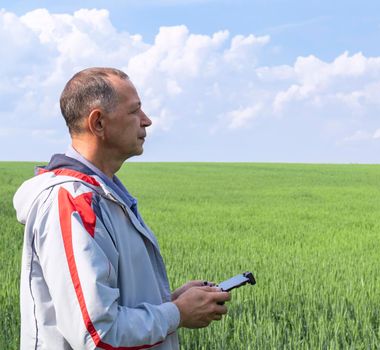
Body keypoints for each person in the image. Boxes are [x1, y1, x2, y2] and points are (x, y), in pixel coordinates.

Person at [13, 67, 230, 349]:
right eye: (134, 111)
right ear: (99, 123)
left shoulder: (104, 194)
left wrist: (170, 301)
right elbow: (97, 333)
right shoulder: (71, 201)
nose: (147, 121)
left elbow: (111, 303)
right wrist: (177, 313)